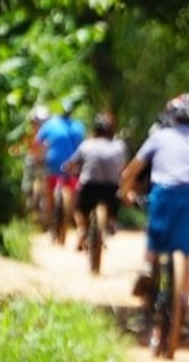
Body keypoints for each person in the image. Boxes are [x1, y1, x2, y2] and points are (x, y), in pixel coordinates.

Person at [118, 93, 189, 358]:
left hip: (162, 194)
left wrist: (125, 193)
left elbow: (131, 171)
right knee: (186, 250)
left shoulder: (159, 138)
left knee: (155, 239)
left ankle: (148, 267)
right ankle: (184, 296)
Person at [62, 113, 128, 252]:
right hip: (112, 188)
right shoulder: (119, 146)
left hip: (89, 186)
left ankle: (82, 229)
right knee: (114, 205)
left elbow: (71, 163)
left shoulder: (86, 145)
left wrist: (66, 168)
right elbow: (122, 167)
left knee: (78, 207)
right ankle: (111, 223)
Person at [34, 99, 85, 243]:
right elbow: (81, 146)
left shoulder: (50, 125)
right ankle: (79, 227)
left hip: (53, 164)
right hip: (73, 166)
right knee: (75, 199)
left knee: (49, 194)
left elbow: (38, 144)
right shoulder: (78, 126)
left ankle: (51, 225)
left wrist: (38, 157)